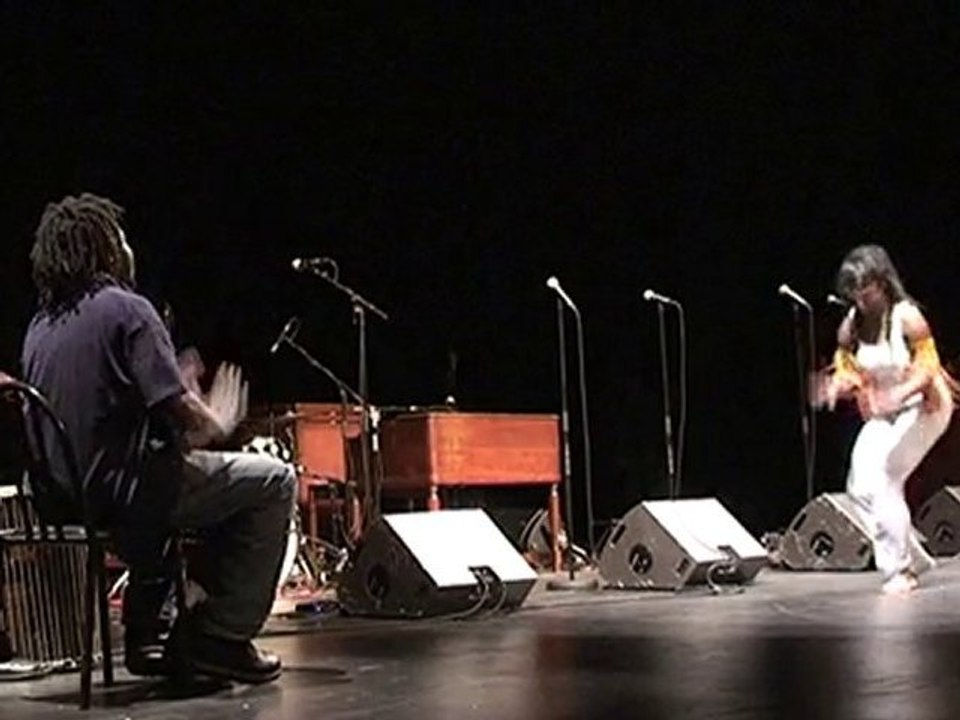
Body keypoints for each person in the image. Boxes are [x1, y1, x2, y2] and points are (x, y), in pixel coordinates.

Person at [20, 193, 296, 682]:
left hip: (61, 501)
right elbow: (185, 417)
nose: (128, 247)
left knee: (186, 477)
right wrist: (215, 417)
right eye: (120, 238)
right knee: (274, 480)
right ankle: (221, 635)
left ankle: (156, 633)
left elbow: (104, 419)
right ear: (104, 246)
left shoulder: (39, 329)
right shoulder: (128, 310)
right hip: (126, 495)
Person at [819, 244, 955, 594]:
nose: (859, 301)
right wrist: (838, 384)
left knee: (887, 477)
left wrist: (899, 393)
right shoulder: (851, 324)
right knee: (860, 486)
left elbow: (928, 367)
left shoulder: (907, 317)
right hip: (887, 411)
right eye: (854, 295)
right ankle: (912, 552)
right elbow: (847, 367)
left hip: (927, 406)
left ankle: (900, 570)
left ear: (882, 282)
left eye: (865, 292)